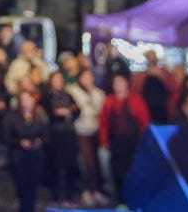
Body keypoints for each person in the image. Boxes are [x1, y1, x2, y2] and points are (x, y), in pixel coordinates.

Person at [98, 74, 148, 199]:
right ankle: (119, 199)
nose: (118, 85)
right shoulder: (109, 101)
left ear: (127, 84)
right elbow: (104, 123)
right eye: (115, 83)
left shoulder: (136, 100)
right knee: (117, 172)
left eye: (121, 82)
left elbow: (145, 122)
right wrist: (104, 141)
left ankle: (135, 198)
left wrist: (145, 141)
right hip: (116, 143)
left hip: (134, 143)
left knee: (133, 172)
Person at [3, 89, 48, 212]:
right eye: (23, 99)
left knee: (33, 189)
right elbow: (6, 137)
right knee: (22, 189)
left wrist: (39, 141)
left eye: (29, 99)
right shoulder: (11, 117)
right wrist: (20, 142)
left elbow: (46, 135)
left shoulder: (39, 116)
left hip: (35, 157)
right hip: (19, 158)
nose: (26, 102)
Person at [67, 67, 106, 207]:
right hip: (81, 130)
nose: (87, 79)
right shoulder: (73, 91)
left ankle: (97, 190)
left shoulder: (99, 93)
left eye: (90, 76)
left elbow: (100, 111)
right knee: (86, 161)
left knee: (97, 162)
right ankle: (87, 190)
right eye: (84, 76)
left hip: (95, 130)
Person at [43, 70, 81, 203]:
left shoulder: (68, 94)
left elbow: (77, 110)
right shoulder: (47, 96)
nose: (58, 82)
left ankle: (69, 196)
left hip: (69, 133)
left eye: (60, 79)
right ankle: (54, 196)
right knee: (55, 166)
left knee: (70, 165)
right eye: (55, 79)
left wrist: (66, 111)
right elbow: (50, 113)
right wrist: (65, 111)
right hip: (55, 135)